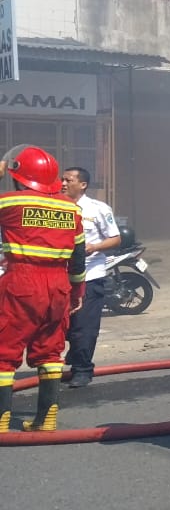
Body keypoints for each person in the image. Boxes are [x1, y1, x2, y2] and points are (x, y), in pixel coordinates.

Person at [0, 145, 86, 433]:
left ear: (18, 176)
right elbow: (78, 258)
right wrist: (77, 293)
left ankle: (0, 419)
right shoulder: (71, 208)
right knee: (50, 352)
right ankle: (45, 419)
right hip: (58, 286)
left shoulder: (10, 202)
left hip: (22, 281)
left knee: (4, 351)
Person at [61, 166, 121, 389]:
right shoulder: (57, 206)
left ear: (83, 184)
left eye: (68, 180)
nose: (63, 184)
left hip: (90, 276)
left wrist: (93, 247)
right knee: (59, 325)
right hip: (61, 276)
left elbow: (114, 239)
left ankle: (83, 369)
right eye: (62, 180)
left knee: (83, 326)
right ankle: (73, 355)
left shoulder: (97, 209)